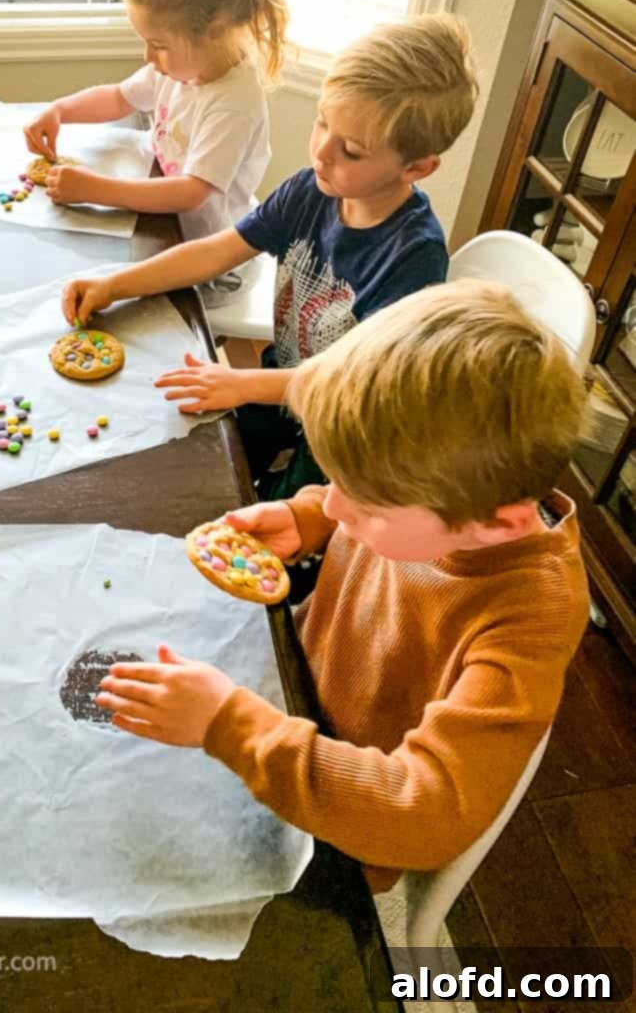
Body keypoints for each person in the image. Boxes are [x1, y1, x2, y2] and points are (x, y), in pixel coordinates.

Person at [95, 281, 590, 891]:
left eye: (365, 504)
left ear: (498, 521)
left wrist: (228, 724)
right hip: (290, 686)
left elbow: (425, 817)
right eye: (334, 482)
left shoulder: (529, 619)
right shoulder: (441, 501)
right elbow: (367, 514)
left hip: (342, 813)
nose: (337, 504)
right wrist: (309, 520)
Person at [63, 13, 479, 502]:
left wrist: (240, 384)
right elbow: (216, 252)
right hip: (282, 383)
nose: (322, 153)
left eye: (350, 150)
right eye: (322, 121)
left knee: (282, 532)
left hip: (343, 426)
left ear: (417, 167)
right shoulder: (310, 190)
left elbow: (358, 384)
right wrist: (118, 284)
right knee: (191, 464)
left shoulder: (413, 258)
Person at [25, 0, 286, 306]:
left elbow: (190, 192)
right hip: (160, 226)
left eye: (158, 44)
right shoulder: (178, 69)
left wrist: (97, 189)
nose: (148, 56)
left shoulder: (234, 102)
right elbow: (118, 97)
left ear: (215, 27)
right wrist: (60, 109)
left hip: (206, 260)